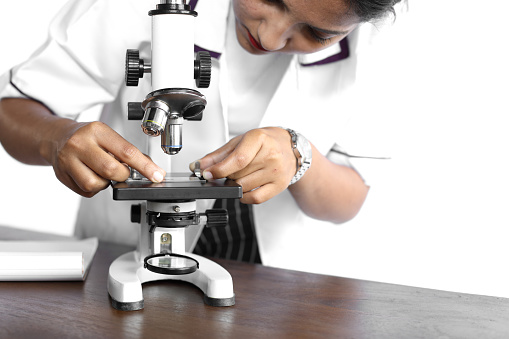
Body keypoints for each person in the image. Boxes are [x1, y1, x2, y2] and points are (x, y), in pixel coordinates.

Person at [0, 0, 402, 268]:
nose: (269, 37)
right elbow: (13, 109)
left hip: (269, 269)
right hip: (122, 245)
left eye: (317, 33)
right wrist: (58, 138)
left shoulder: (372, 39)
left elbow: (349, 198)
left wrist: (300, 156)